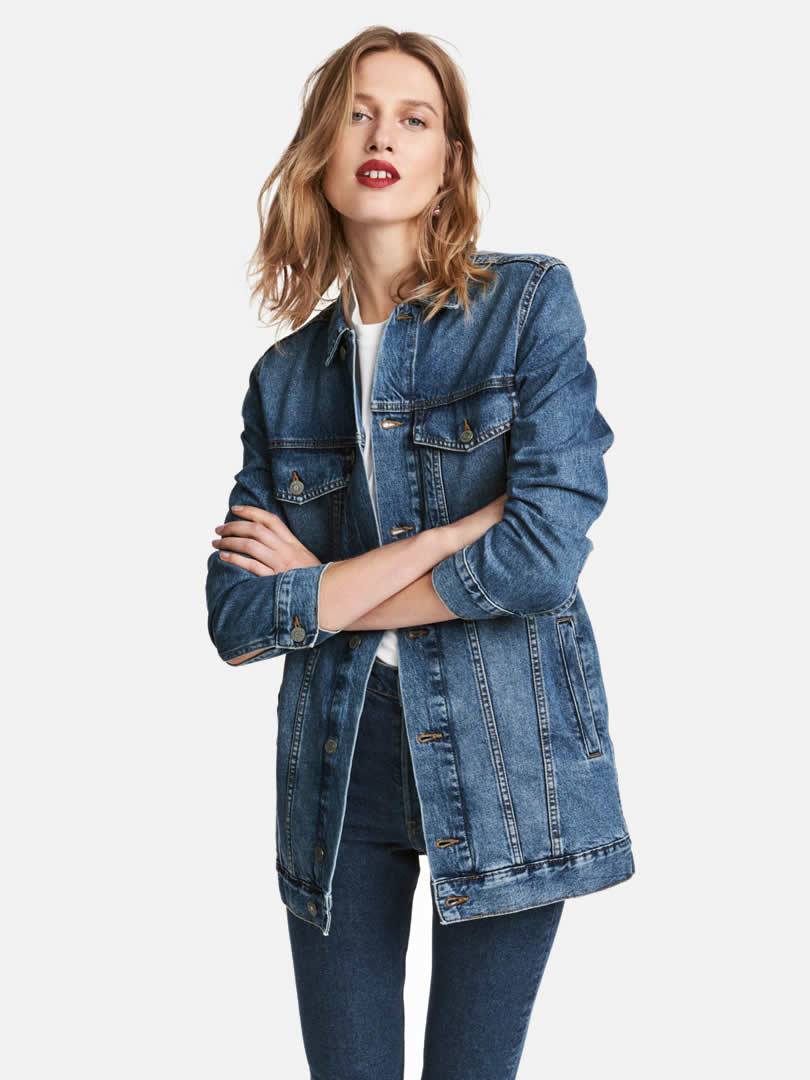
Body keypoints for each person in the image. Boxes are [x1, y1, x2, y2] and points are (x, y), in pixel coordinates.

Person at [206, 26, 635, 1080]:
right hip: (339, 764)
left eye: (414, 118)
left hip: (506, 755)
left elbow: (540, 556)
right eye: (358, 113)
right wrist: (447, 534)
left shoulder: (526, 307)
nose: (382, 137)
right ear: (321, 148)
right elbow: (239, 618)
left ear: (449, 162)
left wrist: (321, 589)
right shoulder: (284, 380)